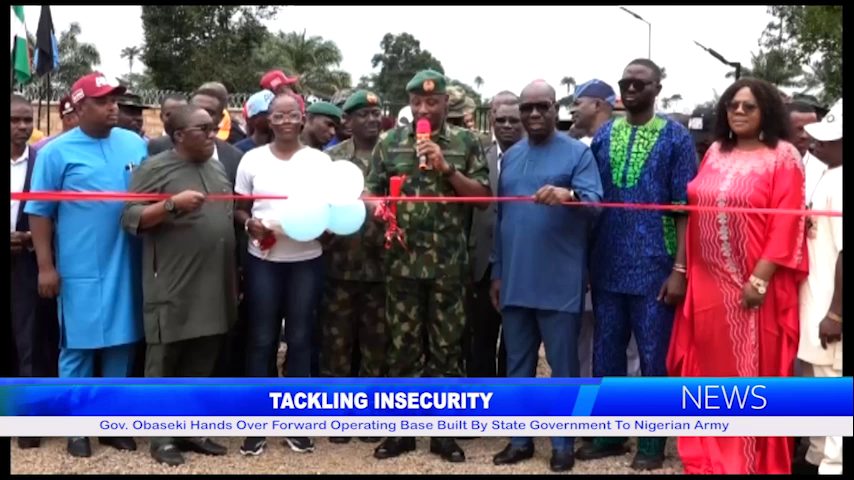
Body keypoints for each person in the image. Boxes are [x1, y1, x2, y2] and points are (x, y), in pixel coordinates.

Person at [667, 78, 808, 474]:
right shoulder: (714, 151)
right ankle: (711, 452)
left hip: (754, 288)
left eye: (749, 106)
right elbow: (694, 212)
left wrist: (760, 279)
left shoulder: (784, 157)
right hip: (709, 284)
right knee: (711, 370)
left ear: (766, 112)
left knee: (750, 374)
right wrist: (684, 270)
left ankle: (746, 459)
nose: (739, 112)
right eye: (733, 105)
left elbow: (788, 223)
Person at [365, 69, 491, 463]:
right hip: (401, 264)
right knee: (402, 348)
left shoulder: (467, 142)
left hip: (448, 266)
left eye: (431, 102)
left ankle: (443, 434)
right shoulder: (389, 143)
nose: (423, 108)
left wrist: (447, 168)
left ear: (445, 104)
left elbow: (483, 198)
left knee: (447, 349)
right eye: (417, 102)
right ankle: (401, 432)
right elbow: (369, 190)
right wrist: (376, 206)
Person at [582, 59, 698, 470]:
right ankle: (609, 435)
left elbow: (685, 209)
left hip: (656, 266)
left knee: (654, 357)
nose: (630, 88)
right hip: (607, 261)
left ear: (657, 88)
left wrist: (680, 270)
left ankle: (652, 444)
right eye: (625, 82)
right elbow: (590, 199)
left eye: (640, 82)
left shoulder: (676, 138)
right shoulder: (605, 134)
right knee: (606, 351)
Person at [24, 72, 147, 458]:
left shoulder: (134, 143)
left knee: (122, 343)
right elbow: (40, 213)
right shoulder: (55, 152)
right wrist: (46, 266)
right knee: (77, 346)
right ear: (79, 107)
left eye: (115, 100)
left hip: (127, 261)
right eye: (103, 101)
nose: (113, 107)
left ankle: (111, 424)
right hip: (80, 266)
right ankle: (77, 427)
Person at [489, 81, 603, 473]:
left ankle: (562, 443)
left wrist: (568, 195)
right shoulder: (512, 156)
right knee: (517, 365)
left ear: (557, 110)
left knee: (562, 367)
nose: (534, 114)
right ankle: (520, 439)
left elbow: (596, 206)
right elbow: (502, 220)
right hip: (516, 278)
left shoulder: (577, 154)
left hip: (559, 280)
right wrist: (497, 272)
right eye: (527, 108)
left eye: (542, 107)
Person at [121, 105, 234, 466]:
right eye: (203, 129)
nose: (212, 134)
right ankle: (162, 436)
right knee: (165, 358)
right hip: (171, 280)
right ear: (180, 135)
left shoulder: (216, 167)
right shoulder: (153, 168)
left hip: (214, 280)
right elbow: (130, 219)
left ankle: (190, 428)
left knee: (203, 356)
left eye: (213, 127)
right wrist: (171, 205)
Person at [235, 93, 328, 457]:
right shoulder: (251, 160)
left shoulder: (319, 161)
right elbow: (239, 210)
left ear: (302, 118)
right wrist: (250, 226)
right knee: (261, 339)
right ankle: (256, 422)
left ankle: (297, 423)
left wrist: (322, 230)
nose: (286, 120)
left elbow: (332, 209)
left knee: (302, 338)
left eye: (293, 114)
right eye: (278, 114)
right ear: (267, 120)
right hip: (264, 260)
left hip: (307, 259)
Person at [319, 90, 387, 445]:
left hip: (382, 267)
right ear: (347, 121)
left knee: (376, 342)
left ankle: (371, 413)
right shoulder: (331, 160)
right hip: (340, 264)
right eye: (362, 114)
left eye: (375, 114)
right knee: (337, 342)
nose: (372, 120)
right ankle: (338, 414)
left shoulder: (392, 155)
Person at [794, 99, 843, 475]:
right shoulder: (828, 173)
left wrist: (836, 313)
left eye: (828, 140)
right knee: (816, 386)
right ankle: (816, 457)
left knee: (835, 388)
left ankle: (833, 464)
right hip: (814, 303)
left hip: (831, 309)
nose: (815, 145)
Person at [10, 94, 59, 450]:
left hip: (29, 261)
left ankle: (28, 421)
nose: (23, 127)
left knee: (29, 339)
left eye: (27, 120)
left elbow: (55, 211)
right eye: (15, 120)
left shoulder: (44, 162)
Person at [466, 98, 524, 378]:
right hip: (481, 266)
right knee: (481, 342)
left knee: (515, 345)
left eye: (514, 120)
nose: (507, 126)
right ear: (492, 122)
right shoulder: (481, 157)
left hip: (519, 264)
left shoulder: (534, 160)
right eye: (501, 120)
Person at [148, 88, 244, 186]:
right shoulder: (158, 147)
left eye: (210, 113)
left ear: (221, 118)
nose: (203, 116)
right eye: (196, 110)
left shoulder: (234, 157)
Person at [571, 79, 616, 145]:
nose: (572, 110)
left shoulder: (615, 143)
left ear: (597, 105)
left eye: (577, 104)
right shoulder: (580, 142)